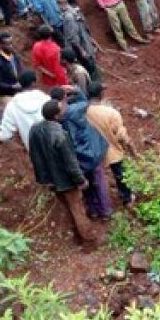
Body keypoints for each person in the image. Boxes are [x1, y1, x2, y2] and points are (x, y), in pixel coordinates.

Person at [28, 99, 100, 246]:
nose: (65, 109)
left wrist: (43, 179)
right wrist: (81, 180)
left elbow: (34, 155)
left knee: (68, 207)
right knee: (77, 208)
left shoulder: (34, 129)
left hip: (49, 178)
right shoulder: (60, 135)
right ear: (56, 116)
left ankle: (76, 235)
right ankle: (89, 240)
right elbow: (71, 163)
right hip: (65, 180)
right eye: (62, 109)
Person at [50, 86, 111, 220]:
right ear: (65, 97)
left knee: (86, 184)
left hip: (77, 159)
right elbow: (86, 101)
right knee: (99, 181)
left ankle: (93, 211)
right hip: (92, 153)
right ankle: (105, 211)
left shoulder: (54, 121)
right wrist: (76, 90)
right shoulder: (76, 109)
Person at [85, 82, 134, 206]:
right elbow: (121, 135)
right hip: (111, 150)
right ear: (101, 94)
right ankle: (127, 198)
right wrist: (130, 147)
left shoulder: (83, 112)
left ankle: (97, 204)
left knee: (95, 178)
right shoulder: (111, 113)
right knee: (120, 175)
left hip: (92, 151)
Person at [0, 70, 50, 149]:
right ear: (33, 83)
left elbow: (4, 135)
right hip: (53, 142)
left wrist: (20, 148)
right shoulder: (45, 98)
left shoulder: (12, 106)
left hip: (34, 150)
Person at [61, 0, 100, 81]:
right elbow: (72, 38)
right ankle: (93, 84)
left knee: (91, 65)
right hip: (79, 48)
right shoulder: (70, 17)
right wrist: (82, 51)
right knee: (89, 66)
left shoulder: (76, 11)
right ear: (75, 0)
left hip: (84, 43)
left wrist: (90, 39)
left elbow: (83, 27)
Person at [0, 32, 25, 98]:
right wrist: (12, 86)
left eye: (11, 43)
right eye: (7, 44)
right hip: (6, 95)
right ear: (1, 45)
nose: (11, 46)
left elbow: (20, 70)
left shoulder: (14, 54)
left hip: (18, 91)